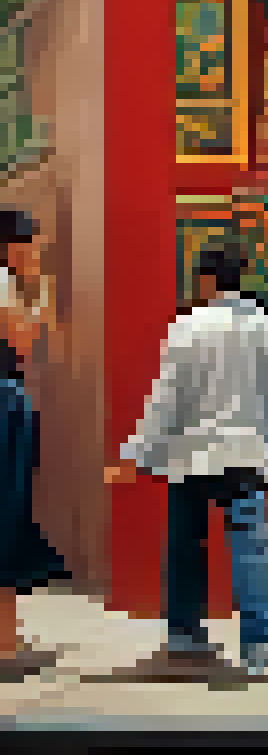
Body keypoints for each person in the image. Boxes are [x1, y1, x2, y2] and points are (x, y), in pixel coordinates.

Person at [108, 242, 268, 680]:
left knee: (186, 547)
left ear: (207, 279)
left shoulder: (188, 326)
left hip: (193, 456)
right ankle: (258, 646)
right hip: (249, 454)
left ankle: (185, 638)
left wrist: (136, 454)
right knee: (250, 549)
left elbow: (166, 399)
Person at [0, 210, 65, 677]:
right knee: (8, 513)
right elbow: (22, 340)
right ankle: (5, 643)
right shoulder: (2, 279)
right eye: (34, 247)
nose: (38, 255)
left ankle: (9, 633)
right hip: (2, 399)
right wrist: (39, 291)